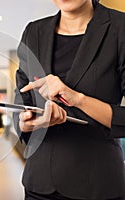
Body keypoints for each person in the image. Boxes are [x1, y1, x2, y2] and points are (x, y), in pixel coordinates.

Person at [14, 0, 125, 199]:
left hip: (98, 184)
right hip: (39, 184)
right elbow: (21, 98)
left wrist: (77, 99)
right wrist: (26, 123)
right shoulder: (33, 32)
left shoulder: (120, 27)